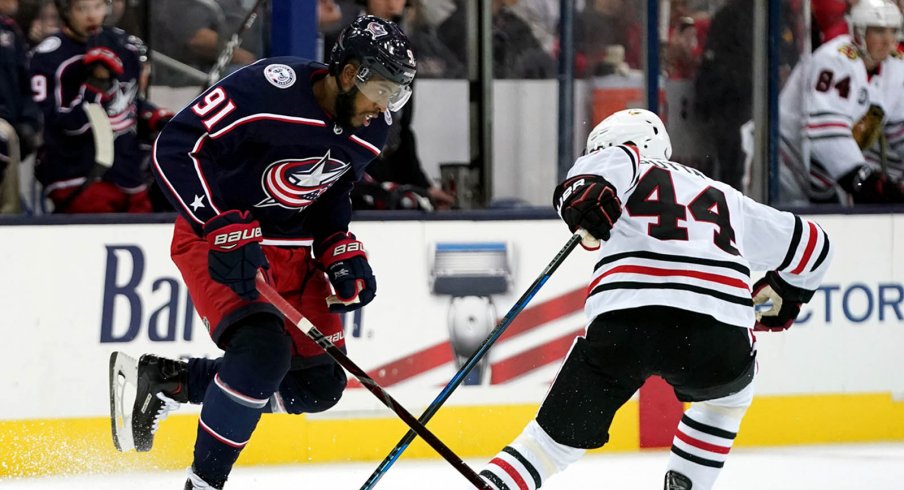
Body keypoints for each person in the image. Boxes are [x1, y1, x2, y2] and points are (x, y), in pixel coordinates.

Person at [109, 16, 416, 489]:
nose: (386, 106)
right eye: (382, 89)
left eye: (396, 94)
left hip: (292, 250)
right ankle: (204, 483)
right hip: (220, 234)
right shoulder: (267, 89)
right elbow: (176, 146)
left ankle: (169, 380)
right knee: (263, 351)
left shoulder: (370, 130)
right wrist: (217, 220)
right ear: (351, 73)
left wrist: (338, 246)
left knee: (318, 386)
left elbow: (333, 187)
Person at [476, 109, 833, 490]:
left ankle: (499, 484)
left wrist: (583, 194)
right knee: (726, 400)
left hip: (625, 326)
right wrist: (785, 293)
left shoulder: (622, 157)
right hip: (717, 335)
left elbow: (594, 177)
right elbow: (815, 245)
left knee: (549, 445)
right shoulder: (726, 196)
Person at [29, 0, 171, 213]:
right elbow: (58, 124)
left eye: (98, 6)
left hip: (129, 175)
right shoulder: (49, 56)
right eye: (82, 9)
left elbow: (127, 99)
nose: (91, 16)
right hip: (78, 175)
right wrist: (96, 83)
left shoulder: (125, 45)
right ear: (66, 11)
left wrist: (154, 116)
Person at [328, 2, 456, 210]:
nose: (392, 3)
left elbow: (401, 128)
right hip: (351, 174)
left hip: (385, 172)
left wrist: (422, 187)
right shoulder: (342, 44)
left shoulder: (405, 53)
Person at [778, 0, 904, 204]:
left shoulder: (894, 67)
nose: (889, 41)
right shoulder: (834, 58)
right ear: (859, 32)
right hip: (781, 164)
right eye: (879, 32)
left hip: (824, 175)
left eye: (893, 31)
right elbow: (825, 136)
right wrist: (866, 180)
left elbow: (899, 131)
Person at [0, 9, 41, 213]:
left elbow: (26, 83)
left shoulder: (9, 30)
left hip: (11, 127)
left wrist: (29, 121)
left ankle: (9, 227)